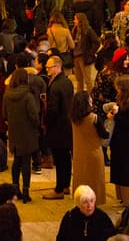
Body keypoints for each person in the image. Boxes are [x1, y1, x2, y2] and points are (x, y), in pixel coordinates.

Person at [3, 68, 40, 204]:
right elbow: (34, 116)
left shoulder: (7, 95)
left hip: (14, 132)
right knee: (26, 163)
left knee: (16, 162)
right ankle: (25, 192)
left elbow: (4, 114)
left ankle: (15, 190)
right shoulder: (28, 96)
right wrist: (37, 126)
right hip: (28, 133)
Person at [43, 55, 75, 200]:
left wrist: (46, 123)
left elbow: (52, 110)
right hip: (67, 126)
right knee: (66, 158)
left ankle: (59, 189)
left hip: (57, 128)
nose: (46, 69)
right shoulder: (67, 82)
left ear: (57, 67)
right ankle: (66, 186)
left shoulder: (55, 86)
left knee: (60, 159)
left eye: (49, 67)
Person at [70, 91, 109, 205]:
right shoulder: (94, 118)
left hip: (79, 155)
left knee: (80, 180)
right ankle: (93, 203)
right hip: (94, 155)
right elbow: (104, 134)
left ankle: (80, 201)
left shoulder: (74, 119)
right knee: (95, 182)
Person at [109, 74, 129, 205]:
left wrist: (116, 116)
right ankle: (121, 197)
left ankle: (128, 200)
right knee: (118, 169)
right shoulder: (121, 98)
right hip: (119, 141)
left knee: (125, 171)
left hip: (127, 142)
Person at [73, 12, 100, 93]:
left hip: (84, 57)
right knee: (79, 80)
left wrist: (90, 53)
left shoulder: (88, 30)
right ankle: (79, 97)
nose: (74, 21)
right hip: (75, 57)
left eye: (75, 19)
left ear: (80, 20)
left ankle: (91, 97)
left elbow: (97, 42)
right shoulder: (74, 30)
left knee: (88, 80)